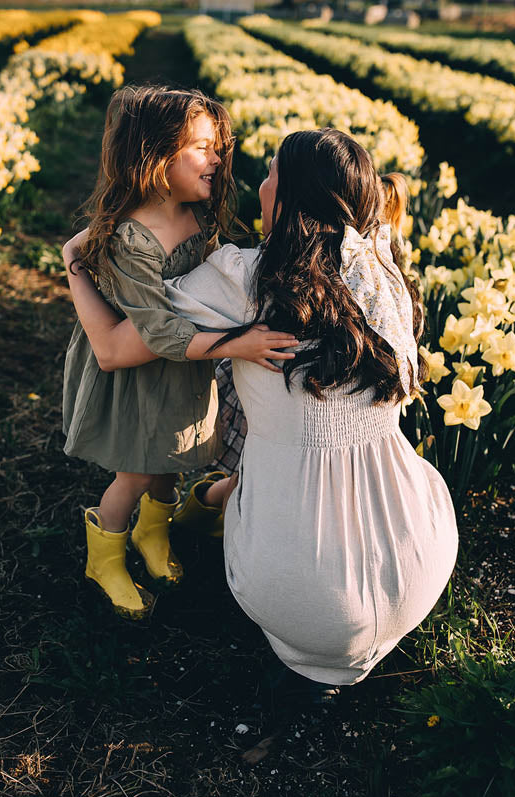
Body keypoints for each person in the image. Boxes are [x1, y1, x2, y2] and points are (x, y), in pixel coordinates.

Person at [66, 127, 458, 688]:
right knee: (303, 428)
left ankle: (212, 507)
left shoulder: (246, 276)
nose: (261, 183)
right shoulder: (383, 264)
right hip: (416, 563)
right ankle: (211, 501)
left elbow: (111, 349)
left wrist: (75, 266)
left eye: (271, 172)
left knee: (262, 414)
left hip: (295, 597)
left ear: (292, 194)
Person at [62, 85, 297, 621]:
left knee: (171, 460)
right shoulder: (133, 238)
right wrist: (238, 342)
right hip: (145, 376)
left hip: (184, 369)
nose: (217, 158)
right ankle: (106, 558)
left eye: (217, 147)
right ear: (154, 157)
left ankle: (153, 534)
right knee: (137, 473)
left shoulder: (197, 216)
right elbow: (159, 329)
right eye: (201, 147)